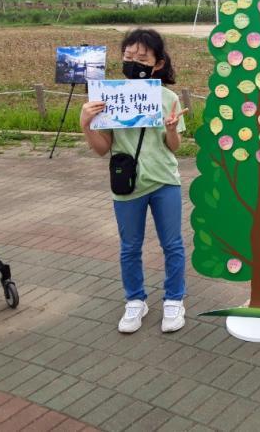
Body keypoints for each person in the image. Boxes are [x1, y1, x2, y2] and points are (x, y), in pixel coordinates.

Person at [80, 28, 188, 334]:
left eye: (142, 58)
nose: (133, 63)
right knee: (129, 247)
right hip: (127, 184)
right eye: (128, 57)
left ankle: (174, 299)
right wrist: (86, 124)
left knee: (172, 245)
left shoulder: (168, 98)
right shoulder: (108, 97)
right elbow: (102, 149)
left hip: (164, 181)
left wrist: (171, 129)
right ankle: (135, 300)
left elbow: (174, 147)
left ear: (158, 63)